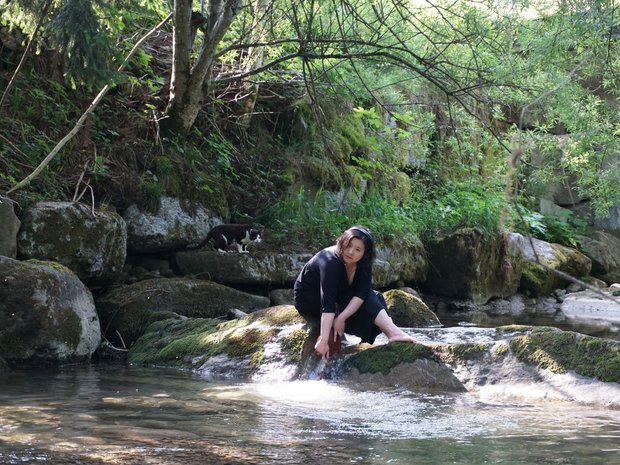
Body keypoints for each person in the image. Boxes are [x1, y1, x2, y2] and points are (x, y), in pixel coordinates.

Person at [294, 225, 416, 358]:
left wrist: (342, 317)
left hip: (338, 294)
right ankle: (391, 333)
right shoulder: (330, 261)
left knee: (376, 298)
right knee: (342, 309)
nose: (351, 252)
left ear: (365, 253)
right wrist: (323, 340)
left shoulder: (364, 262)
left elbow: (362, 293)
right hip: (310, 297)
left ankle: (389, 335)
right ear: (342, 242)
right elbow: (327, 304)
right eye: (348, 245)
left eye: (358, 249)